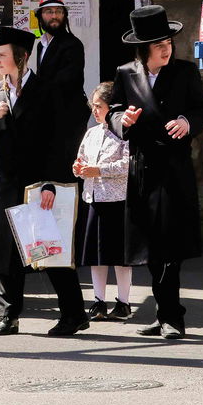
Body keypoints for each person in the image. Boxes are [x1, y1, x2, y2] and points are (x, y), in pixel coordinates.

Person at [0, 26, 88, 337]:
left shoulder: (45, 89)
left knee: (47, 250)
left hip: (37, 183)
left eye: (2, 55)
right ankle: (8, 315)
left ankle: (74, 313)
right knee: (5, 252)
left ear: (21, 57)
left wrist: (51, 183)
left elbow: (58, 140)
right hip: (5, 182)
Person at [106, 6, 203, 340]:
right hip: (143, 168)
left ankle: (172, 316)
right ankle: (163, 312)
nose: (166, 49)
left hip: (174, 168)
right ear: (143, 49)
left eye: (168, 42)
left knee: (171, 246)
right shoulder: (126, 73)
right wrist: (122, 121)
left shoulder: (184, 71)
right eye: (158, 45)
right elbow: (113, 111)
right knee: (151, 248)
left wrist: (186, 122)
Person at [74, 82, 135, 321]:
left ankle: (124, 302)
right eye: (93, 106)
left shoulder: (124, 133)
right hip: (93, 198)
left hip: (117, 200)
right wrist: (78, 168)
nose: (95, 110)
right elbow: (81, 158)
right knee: (95, 255)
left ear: (112, 107)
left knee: (120, 257)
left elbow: (127, 165)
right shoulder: (92, 133)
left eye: (99, 106)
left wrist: (98, 170)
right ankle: (98, 301)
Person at [31, 0, 90, 183]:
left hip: (68, 120)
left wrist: (32, 87)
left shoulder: (73, 45)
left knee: (67, 170)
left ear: (64, 15)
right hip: (48, 117)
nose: (54, 16)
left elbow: (66, 81)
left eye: (58, 11)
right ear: (40, 16)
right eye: (49, 11)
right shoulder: (41, 45)